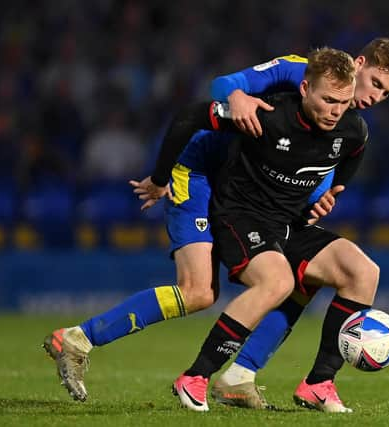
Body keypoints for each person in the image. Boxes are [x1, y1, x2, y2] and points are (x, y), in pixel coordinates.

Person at [42, 38, 389, 409]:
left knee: (307, 274)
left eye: (386, 94)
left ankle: (248, 377)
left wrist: (324, 196)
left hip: (258, 192)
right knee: (199, 292)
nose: (375, 97)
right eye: (376, 83)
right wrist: (235, 98)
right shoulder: (300, 71)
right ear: (359, 63)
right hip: (203, 172)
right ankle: (79, 338)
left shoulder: (346, 124)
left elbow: (319, 162)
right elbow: (221, 87)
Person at [155, 47, 373, 413]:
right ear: (305, 89)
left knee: (363, 272)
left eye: (345, 102)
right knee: (278, 283)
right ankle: (196, 376)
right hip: (242, 217)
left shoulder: (354, 130)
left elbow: (349, 157)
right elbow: (190, 116)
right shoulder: (267, 115)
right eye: (329, 100)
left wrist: (330, 194)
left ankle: (319, 384)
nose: (337, 110)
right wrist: (160, 178)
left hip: (289, 223)